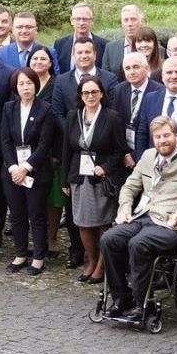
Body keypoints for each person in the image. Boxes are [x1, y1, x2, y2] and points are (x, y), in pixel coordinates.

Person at [102, 117, 177, 328]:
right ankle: (120, 298)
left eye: (166, 136)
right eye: (158, 137)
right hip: (144, 215)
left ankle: (141, 302)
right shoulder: (147, 156)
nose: (162, 140)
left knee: (139, 243)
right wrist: (124, 208)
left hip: (173, 224)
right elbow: (129, 187)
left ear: (176, 136)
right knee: (109, 239)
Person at [65, 73, 127, 285]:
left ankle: (102, 266)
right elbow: (67, 150)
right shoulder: (74, 116)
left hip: (100, 179)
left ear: (101, 94)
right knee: (82, 224)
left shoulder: (111, 117)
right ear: (80, 96)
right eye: (86, 92)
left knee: (102, 224)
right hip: (78, 176)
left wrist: (106, 167)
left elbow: (120, 151)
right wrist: (66, 179)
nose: (90, 96)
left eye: (94, 92)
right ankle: (91, 261)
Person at [0, 66, 57, 275]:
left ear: (36, 85)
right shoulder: (8, 108)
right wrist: (14, 167)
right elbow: (4, 141)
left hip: (36, 172)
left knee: (37, 215)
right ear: (16, 87)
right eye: (21, 83)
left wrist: (25, 167)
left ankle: (39, 256)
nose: (26, 87)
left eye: (29, 83)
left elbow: (44, 145)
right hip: (12, 172)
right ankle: (21, 253)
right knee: (17, 215)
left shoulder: (45, 109)